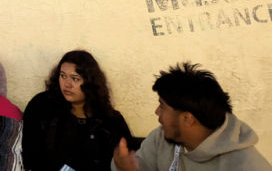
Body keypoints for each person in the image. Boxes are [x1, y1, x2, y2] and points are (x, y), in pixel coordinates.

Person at [112, 63, 271, 170]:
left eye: (162, 106)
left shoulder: (245, 165)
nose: (157, 112)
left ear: (188, 119)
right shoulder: (161, 139)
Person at [22, 50, 133, 171]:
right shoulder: (42, 106)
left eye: (75, 79)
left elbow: (128, 160)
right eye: (63, 76)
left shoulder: (111, 120)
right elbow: (30, 156)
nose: (67, 84)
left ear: (90, 82)